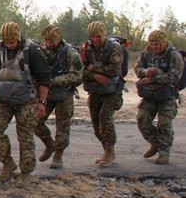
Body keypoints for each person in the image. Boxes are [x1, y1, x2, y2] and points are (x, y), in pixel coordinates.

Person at [0, 22, 51, 184]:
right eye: (6, 42)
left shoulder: (32, 51)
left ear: (18, 38)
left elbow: (44, 78)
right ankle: (7, 163)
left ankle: (26, 172)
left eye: (12, 42)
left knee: (25, 136)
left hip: (27, 100)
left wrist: (42, 102)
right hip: (3, 99)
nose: (9, 45)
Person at [34, 24, 83, 169]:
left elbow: (77, 76)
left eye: (51, 41)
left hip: (64, 95)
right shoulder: (41, 52)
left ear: (57, 39)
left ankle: (58, 156)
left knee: (62, 127)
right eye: (46, 41)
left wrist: (54, 81)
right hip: (46, 94)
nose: (48, 44)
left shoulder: (70, 54)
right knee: (35, 121)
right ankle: (49, 144)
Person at [134, 29, 184, 164]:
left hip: (167, 96)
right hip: (149, 95)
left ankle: (164, 152)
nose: (154, 47)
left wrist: (153, 78)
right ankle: (155, 144)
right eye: (151, 44)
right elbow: (137, 68)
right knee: (142, 119)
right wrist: (145, 72)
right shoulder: (146, 53)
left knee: (164, 124)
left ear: (163, 43)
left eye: (156, 44)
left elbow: (174, 76)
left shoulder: (174, 56)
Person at [80, 21, 124, 166]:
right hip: (95, 90)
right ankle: (106, 151)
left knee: (105, 119)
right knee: (96, 125)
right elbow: (80, 70)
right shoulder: (85, 49)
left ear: (103, 35)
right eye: (92, 36)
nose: (95, 39)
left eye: (97, 36)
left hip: (112, 90)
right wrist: (95, 75)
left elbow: (115, 70)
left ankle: (110, 152)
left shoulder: (115, 48)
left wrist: (93, 68)